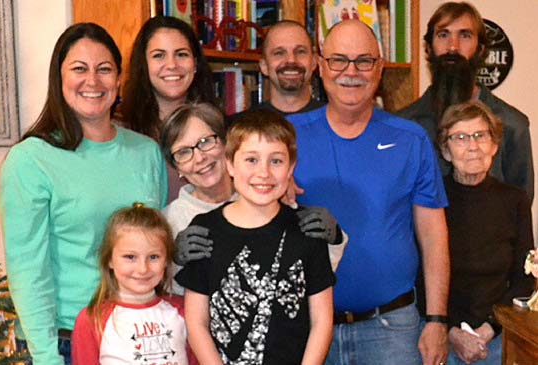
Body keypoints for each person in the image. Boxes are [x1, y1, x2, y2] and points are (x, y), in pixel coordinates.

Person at [0, 23, 167, 365]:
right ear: (58, 80)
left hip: (145, 334)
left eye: (104, 69)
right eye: (79, 69)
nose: (93, 81)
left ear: (119, 79)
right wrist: (47, 357)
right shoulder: (30, 160)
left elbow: (156, 243)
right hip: (69, 341)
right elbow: (28, 271)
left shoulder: (146, 152)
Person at [286, 20, 450, 365]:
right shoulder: (286, 137)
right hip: (307, 327)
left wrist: (436, 319)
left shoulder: (411, 139)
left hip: (392, 327)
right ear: (320, 65)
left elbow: (433, 235)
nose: (351, 71)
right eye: (339, 60)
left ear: (379, 68)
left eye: (364, 61)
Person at [175, 110, 335, 365]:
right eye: (251, 160)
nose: (264, 173)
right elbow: (196, 323)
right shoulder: (204, 229)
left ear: (291, 167)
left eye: (276, 161)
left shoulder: (307, 230)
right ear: (229, 164)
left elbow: (322, 321)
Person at [159, 103, 346, 295]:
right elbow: (159, 294)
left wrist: (333, 239)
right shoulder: (168, 222)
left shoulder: (267, 196)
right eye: (183, 152)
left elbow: (311, 276)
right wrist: (174, 262)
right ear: (177, 168)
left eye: (206, 141)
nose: (199, 158)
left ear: (227, 144)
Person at [397, 1, 534, 201]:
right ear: (428, 48)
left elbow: (519, 210)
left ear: (480, 50)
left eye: (465, 35)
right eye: (443, 35)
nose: (453, 47)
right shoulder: (404, 126)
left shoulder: (512, 126)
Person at [436, 100, 534, 364]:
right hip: (442, 333)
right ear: (445, 151)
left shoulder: (515, 200)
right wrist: (453, 330)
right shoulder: (432, 200)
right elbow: (419, 276)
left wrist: (487, 330)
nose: (473, 146)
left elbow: (525, 278)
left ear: (494, 145)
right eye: (460, 138)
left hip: (496, 335)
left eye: (480, 135)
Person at [71, 203, 196, 365]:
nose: (143, 269)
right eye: (130, 257)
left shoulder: (184, 310)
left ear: (166, 261)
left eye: (153, 257)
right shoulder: (91, 319)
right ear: (109, 259)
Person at [122, 15, 216, 201]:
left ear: (195, 63)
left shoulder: (219, 129)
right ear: (144, 65)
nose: (172, 65)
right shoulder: (121, 134)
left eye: (181, 54)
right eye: (159, 56)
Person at [227, 20, 323, 124]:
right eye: (279, 53)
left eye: (300, 52)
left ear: (314, 62)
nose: (291, 60)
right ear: (263, 66)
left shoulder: (338, 122)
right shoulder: (238, 127)